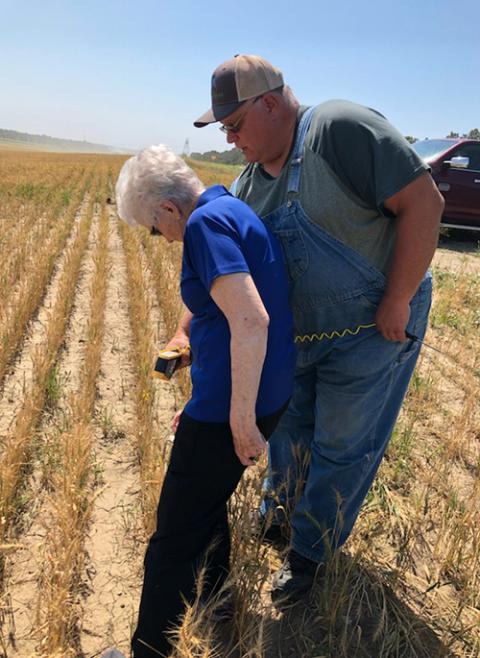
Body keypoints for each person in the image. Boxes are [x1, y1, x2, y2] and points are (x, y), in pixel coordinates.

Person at [163, 54, 446, 604]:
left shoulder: (339, 129)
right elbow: (224, 276)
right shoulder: (247, 188)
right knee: (289, 431)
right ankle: (281, 512)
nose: (231, 137)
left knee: (343, 444)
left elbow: (425, 203)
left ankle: (308, 556)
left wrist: (398, 298)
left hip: (373, 330)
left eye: (236, 125)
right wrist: (183, 335)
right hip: (302, 338)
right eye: (223, 129)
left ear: (270, 103)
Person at [110, 144, 295, 657]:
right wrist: (191, 350)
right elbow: (228, 313)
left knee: (172, 537)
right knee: (207, 505)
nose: (160, 238)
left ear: (169, 209)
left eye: (154, 227)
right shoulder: (231, 206)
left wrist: (237, 420)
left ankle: (148, 649)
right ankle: (217, 600)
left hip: (231, 410)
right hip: (256, 395)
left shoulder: (204, 227)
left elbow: (252, 320)